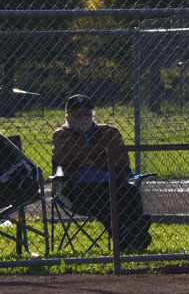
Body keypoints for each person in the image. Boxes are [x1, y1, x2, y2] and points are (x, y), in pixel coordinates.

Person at [51, 94, 152, 251]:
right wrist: (104, 154)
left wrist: (86, 157)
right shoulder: (61, 135)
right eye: (77, 114)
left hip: (112, 182)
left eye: (87, 113)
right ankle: (125, 237)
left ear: (93, 115)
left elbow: (122, 159)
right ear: (67, 117)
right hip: (77, 189)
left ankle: (135, 231)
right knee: (103, 197)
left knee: (130, 192)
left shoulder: (110, 132)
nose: (83, 118)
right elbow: (66, 156)